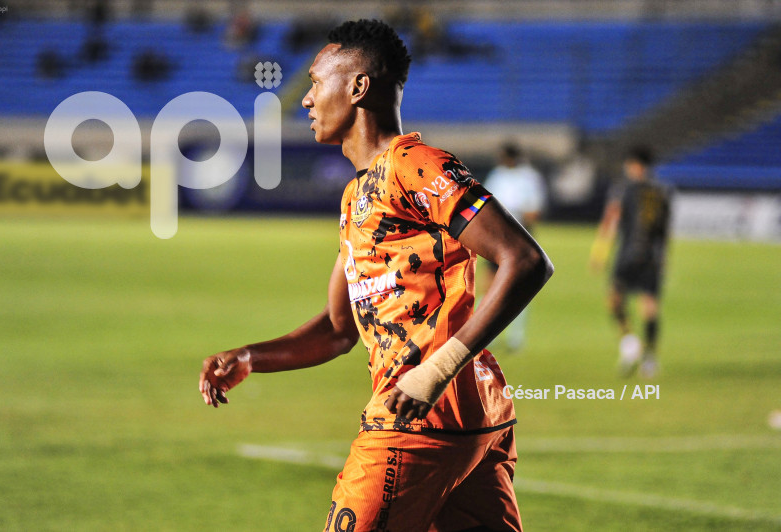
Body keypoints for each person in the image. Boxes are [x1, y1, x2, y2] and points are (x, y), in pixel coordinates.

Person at [199, 19, 553, 532]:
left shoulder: (415, 165)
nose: (307, 99)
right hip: (470, 415)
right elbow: (341, 328)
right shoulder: (355, 197)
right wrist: (252, 357)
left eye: (318, 83)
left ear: (358, 87)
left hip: (420, 416)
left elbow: (525, 259)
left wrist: (435, 370)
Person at [590, 146, 671, 378]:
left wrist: (599, 254)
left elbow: (611, 222)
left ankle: (629, 340)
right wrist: (664, 258)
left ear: (634, 165)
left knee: (614, 298)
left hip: (628, 254)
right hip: (653, 256)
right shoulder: (662, 191)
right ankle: (650, 359)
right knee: (650, 304)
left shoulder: (624, 189)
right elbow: (664, 231)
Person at [483, 142, 547, 351]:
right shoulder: (497, 175)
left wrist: (514, 214)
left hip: (519, 234)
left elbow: (534, 211)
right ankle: (485, 333)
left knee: (519, 285)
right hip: (496, 235)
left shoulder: (529, 177)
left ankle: (515, 336)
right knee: (489, 284)